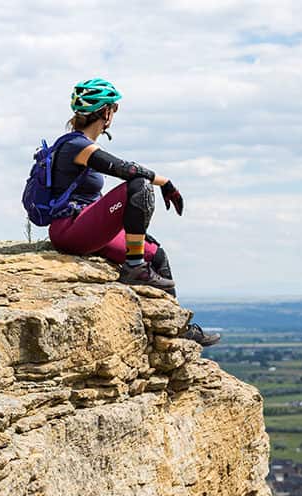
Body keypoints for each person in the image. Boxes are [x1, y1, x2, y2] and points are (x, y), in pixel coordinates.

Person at [45, 78, 220, 346]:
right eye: (114, 109)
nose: (113, 114)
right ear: (106, 112)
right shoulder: (76, 146)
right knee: (138, 185)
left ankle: (177, 325)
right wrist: (165, 183)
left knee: (156, 253)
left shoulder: (77, 144)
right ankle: (134, 267)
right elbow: (126, 170)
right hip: (71, 229)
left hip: (85, 227)